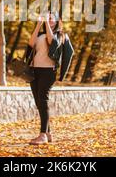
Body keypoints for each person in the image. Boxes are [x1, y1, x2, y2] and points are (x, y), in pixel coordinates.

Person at [25, 11, 73, 145]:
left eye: (52, 18)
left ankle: (42, 136)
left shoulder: (61, 36)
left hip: (48, 72)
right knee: (39, 102)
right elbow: (30, 44)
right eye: (48, 18)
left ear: (57, 21)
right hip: (34, 71)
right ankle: (48, 133)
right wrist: (38, 24)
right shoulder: (40, 34)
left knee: (43, 99)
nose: (50, 20)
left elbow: (52, 42)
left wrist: (45, 22)